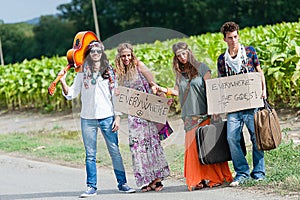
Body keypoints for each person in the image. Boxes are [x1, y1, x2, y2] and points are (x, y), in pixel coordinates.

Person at [59, 40, 136, 197]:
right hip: (87, 119)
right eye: (92, 51)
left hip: (107, 117)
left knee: (114, 151)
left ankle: (123, 184)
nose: (95, 54)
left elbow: (115, 95)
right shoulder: (81, 73)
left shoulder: (109, 72)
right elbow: (71, 93)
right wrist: (62, 81)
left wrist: (118, 117)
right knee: (90, 154)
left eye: (98, 51)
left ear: (102, 54)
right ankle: (91, 187)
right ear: (88, 54)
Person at [152, 42, 233, 191]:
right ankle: (198, 179)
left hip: (205, 115)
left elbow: (212, 89)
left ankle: (216, 177)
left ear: (189, 52)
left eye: (184, 53)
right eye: (179, 56)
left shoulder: (202, 68)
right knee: (194, 150)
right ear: (175, 58)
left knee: (209, 148)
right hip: (189, 117)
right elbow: (177, 91)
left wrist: (215, 110)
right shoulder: (180, 73)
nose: (183, 58)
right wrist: (161, 89)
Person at [114, 43, 170, 192]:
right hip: (133, 115)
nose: (126, 58)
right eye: (123, 56)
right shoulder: (119, 73)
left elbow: (153, 84)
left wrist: (156, 92)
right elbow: (117, 93)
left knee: (152, 144)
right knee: (137, 147)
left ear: (132, 55)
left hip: (147, 112)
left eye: (128, 55)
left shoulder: (139, 66)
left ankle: (157, 179)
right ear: (119, 57)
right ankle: (145, 179)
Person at [217, 21, 267, 186]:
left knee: (256, 137)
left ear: (238, 35)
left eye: (235, 37)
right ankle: (242, 172)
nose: (233, 40)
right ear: (224, 39)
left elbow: (259, 73)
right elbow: (222, 84)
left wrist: (263, 91)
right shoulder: (222, 60)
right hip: (234, 107)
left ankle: (259, 172)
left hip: (252, 103)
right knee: (232, 137)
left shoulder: (250, 52)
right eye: (230, 38)